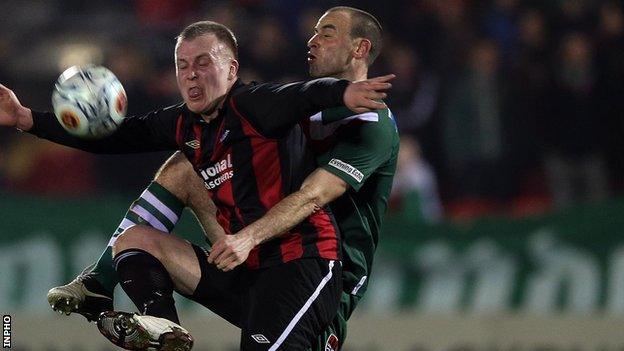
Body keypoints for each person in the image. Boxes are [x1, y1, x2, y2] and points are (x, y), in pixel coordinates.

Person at [0, 19, 394, 350]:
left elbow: (302, 94)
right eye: (183, 65)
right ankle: (162, 324)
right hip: (244, 268)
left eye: (204, 62)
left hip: (301, 261)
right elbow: (118, 137)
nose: (191, 73)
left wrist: (344, 90)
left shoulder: (254, 105)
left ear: (232, 70)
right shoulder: (183, 123)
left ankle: (98, 283)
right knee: (134, 240)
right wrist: (26, 119)